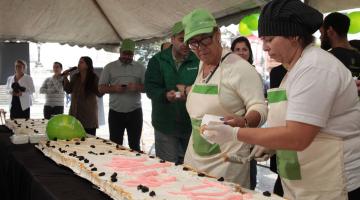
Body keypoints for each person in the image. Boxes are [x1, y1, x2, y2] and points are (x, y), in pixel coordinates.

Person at [204, 0, 360, 199]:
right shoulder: (294, 68)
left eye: (269, 39)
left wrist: (236, 133)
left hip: (333, 180)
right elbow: (294, 121)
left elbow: (297, 136)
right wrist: (269, 140)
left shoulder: (315, 68)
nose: (265, 47)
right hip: (307, 178)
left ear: (294, 36)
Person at [181, 9, 268, 188]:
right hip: (195, 158)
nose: (200, 48)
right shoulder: (200, 64)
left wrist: (244, 121)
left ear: (217, 34)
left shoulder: (240, 68)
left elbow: (260, 108)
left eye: (205, 39)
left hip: (227, 162)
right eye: (194, 43)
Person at [145, 21, 199, 164]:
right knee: (167, 168)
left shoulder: (197, 60)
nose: (185, 45)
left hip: (191, 125)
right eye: (181, 40)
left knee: (191, 168)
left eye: (189, 41)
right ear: (172, 39)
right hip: (165, 125)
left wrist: (190, 91)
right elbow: (150, 88)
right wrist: (164, 95)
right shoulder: (158, 61)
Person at [98, 39, 146, 151]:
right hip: (115, 112)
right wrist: (114, 88)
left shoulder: (140, 67)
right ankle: (115, 167)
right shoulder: (109, 67)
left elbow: (148, 88)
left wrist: (137, 87)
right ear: (120, 51)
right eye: (125, 53)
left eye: (130, 54)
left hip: (135, 112)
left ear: (133, 54)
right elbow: (100, 88)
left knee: (135, 145)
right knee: (115, 145)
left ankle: (135, 167)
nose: (127, 57)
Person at [230, 36, 257, 190]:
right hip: (231, 131)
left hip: (249, 127)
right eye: (237, 49)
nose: (241, 53)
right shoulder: (227, 73)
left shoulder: (253, 73)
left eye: (244, 49)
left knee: (248, 168)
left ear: (249, 52)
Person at [63, 56, 103, 135]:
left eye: (81, 62)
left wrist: (105, 87)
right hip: (75, 113)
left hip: (88, 114)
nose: (78, 64)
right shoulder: (75, 77)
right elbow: (68, 90)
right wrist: (65, 77)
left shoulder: (94, 77)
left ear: (87, 65)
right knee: (74, 139)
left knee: (89, 139)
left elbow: (100, 93)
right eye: (78, 62)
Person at [320, 12, 360, 77]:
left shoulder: (328, 58)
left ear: (330, 30)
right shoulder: (358, 55)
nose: (320, 37)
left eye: (321, 33)